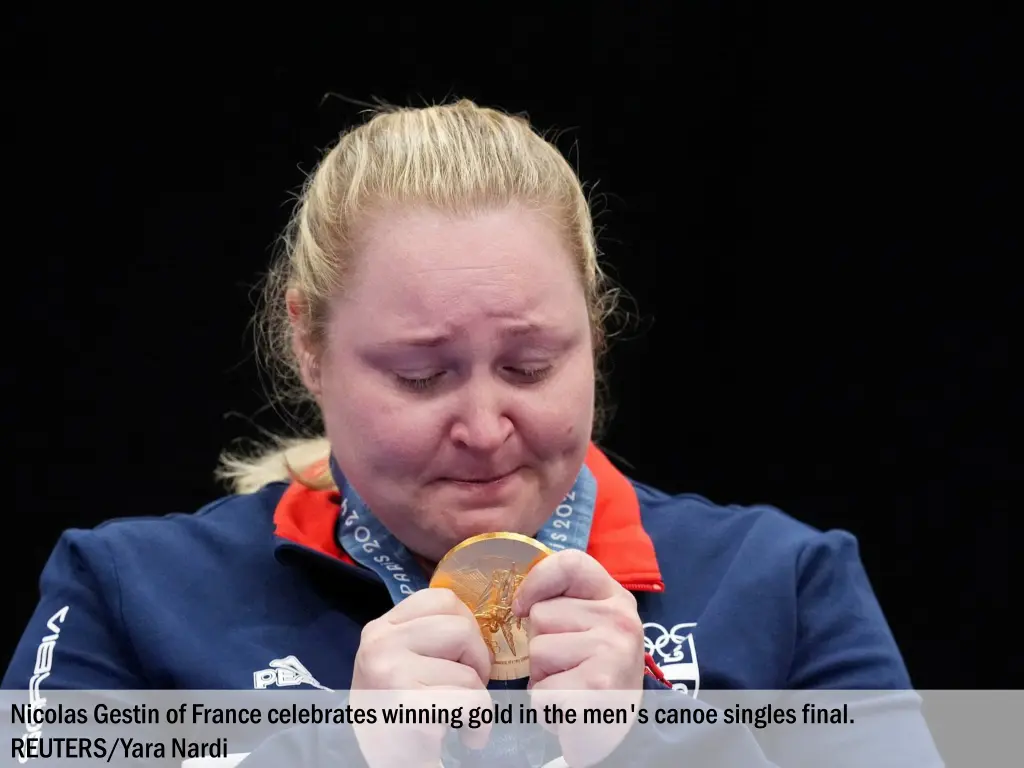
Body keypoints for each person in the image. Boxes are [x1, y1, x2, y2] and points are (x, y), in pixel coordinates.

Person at [2, 99, 942, 766]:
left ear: (597, 336)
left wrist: (661, 743)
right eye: (421, 376)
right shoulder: (128, 596)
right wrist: (340, 752)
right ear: (309, 346)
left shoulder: (783, 584)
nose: (487, 428)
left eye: (531, 366)